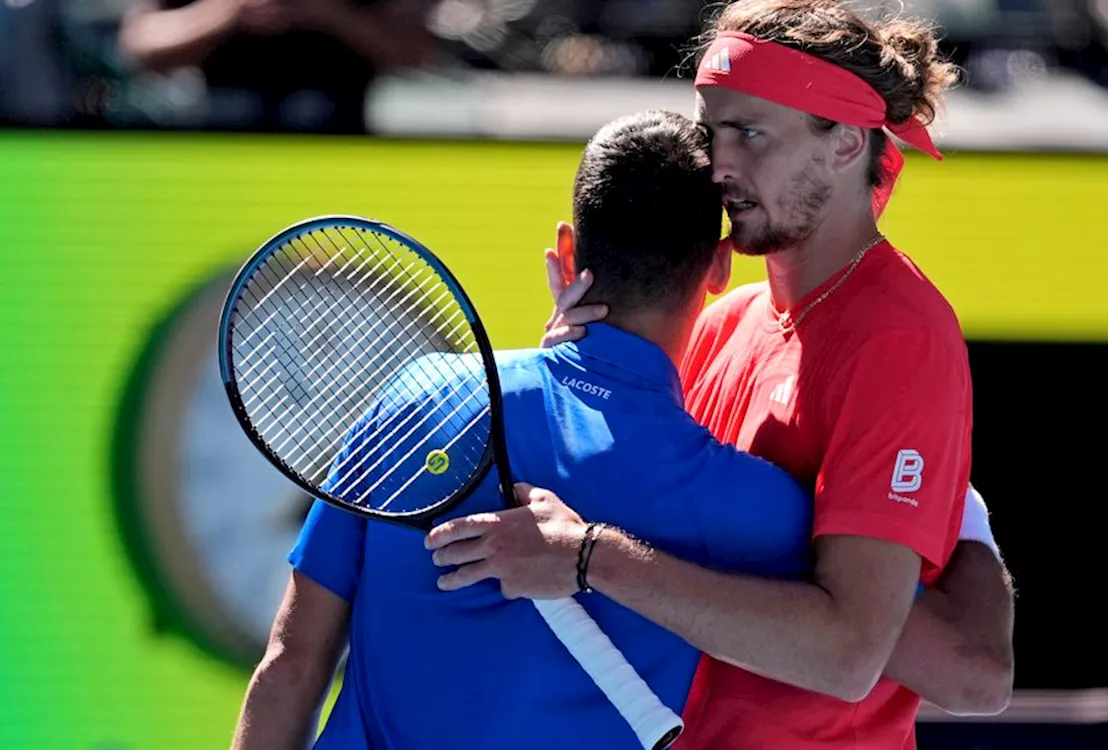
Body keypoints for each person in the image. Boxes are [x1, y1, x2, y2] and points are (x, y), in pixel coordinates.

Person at [232, 110, 1006, 750]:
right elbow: (972, 673)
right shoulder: (754, 509)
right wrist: (959, 507)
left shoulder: (416, 396)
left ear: (569, 252)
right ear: (717, 270)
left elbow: (289, 665)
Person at [426, 1, 1016, 748]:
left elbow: (846, 654)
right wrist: (575, 376)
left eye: (750, 132)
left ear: (843, 142)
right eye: (712, 131)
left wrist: (587, 558)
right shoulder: (722, 322)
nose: (718, 164)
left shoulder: (900, 338)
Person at [117, 0, 434, 133]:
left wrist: (327, 14)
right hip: (217, 163)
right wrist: (227, 12)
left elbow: (414, 53)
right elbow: (141, 47)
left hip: (336, 162)